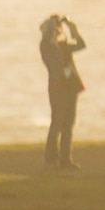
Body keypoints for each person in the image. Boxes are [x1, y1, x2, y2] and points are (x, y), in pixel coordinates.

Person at [38, 14, 86, 170]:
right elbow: (48, 40)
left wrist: (72, 28)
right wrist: (52, 27)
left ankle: (66, 160)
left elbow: (81, 45)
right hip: (58, 88)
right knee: (57, 123)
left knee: (68, 124)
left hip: (70, 86)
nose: (58, 30)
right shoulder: (46, 46)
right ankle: (51, 160)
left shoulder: (63, 45)